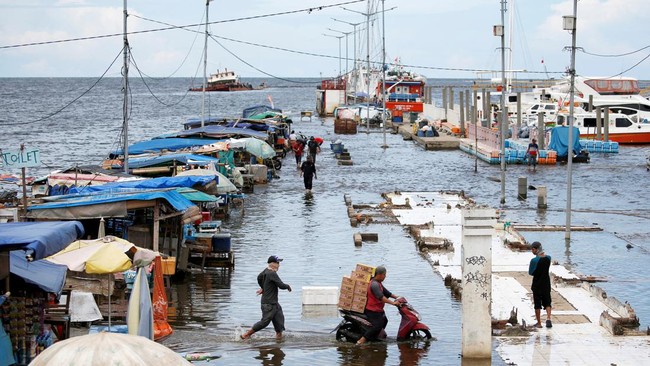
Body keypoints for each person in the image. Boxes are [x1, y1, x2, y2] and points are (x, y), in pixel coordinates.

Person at [241, 256, 292, 340]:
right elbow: (281, 285)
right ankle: (247, 334)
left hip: (274, 304)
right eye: (277, 263)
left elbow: (259, 278)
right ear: (273, 264)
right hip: (268, 304)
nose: (279, 265)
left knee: (279, 321)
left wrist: (263, 288)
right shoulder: (272, 273)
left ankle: (278, 339)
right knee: (265, 322)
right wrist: (288, 286)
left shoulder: (265, 271)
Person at [356, 266, 400, 345]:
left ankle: (375, 337)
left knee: (385, 320)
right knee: (377, 326)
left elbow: (387, 293)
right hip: (372, 310)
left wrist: (398, 297)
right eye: (384, 274)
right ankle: (361, 341)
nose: (385, 276)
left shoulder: (378, 283)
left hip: (378, 309)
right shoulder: (374, 284)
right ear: (379, 274)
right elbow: (381, 297)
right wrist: (393, 303)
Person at [528, 241, 552, 328]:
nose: (532, 251)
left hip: (537, 284)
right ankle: (548, 318)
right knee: (547, 302)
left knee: (537, 304)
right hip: (546, 283)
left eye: (533, 249)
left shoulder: (534, 260)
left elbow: (531, 272)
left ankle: (539, 323)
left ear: (536, 249)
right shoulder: (548, 258)